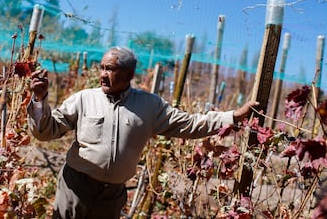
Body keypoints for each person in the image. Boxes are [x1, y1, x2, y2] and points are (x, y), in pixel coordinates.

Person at [27, 46, 258, 219]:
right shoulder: (84, 99)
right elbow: (46, 131)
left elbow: (190, 123)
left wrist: (233, 117)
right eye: (102, 68)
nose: (103, 74)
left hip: (111, 195)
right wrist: (39, 99)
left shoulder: (149, 106)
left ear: (129, 74)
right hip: (76, 187)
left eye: (111, 69)